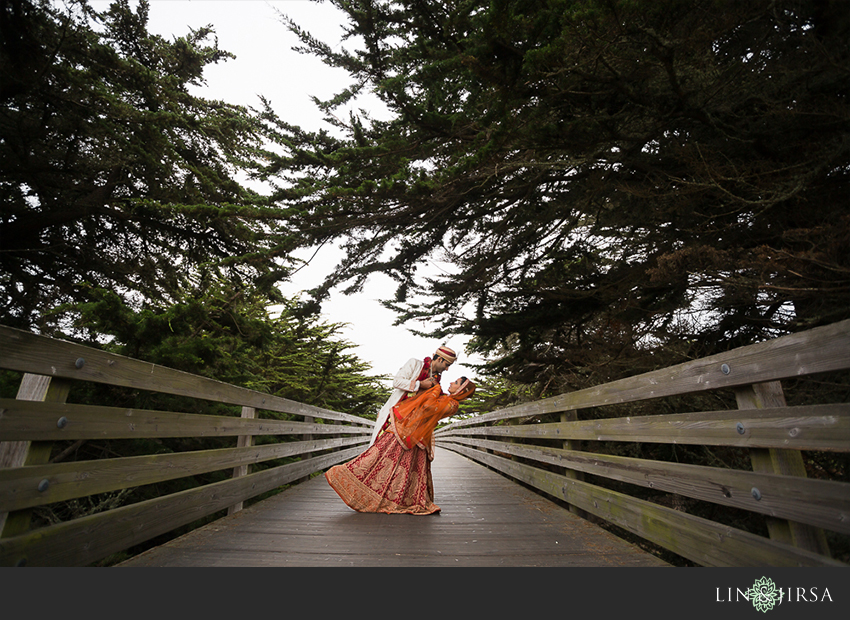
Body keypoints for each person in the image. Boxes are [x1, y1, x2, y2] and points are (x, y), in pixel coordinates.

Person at [325, 377, 476, 515]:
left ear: (461, 391)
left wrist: (435, 389)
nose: (451, 383)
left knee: (404, 468)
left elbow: (428, 407)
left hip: (417, 437)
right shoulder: (445, 399)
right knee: (381, 457)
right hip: (409, 433)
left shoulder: (452, 404)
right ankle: (354, 481)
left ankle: (395, 498)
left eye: (455, 383)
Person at [368, 345, 457, 446]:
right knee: (380, 447)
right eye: (447, 364)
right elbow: (396, 382)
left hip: (410, 426)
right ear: (440, 359)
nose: (447, 369)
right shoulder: (415, 364)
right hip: (394, 416)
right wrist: (420, 384)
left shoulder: (436, 379)